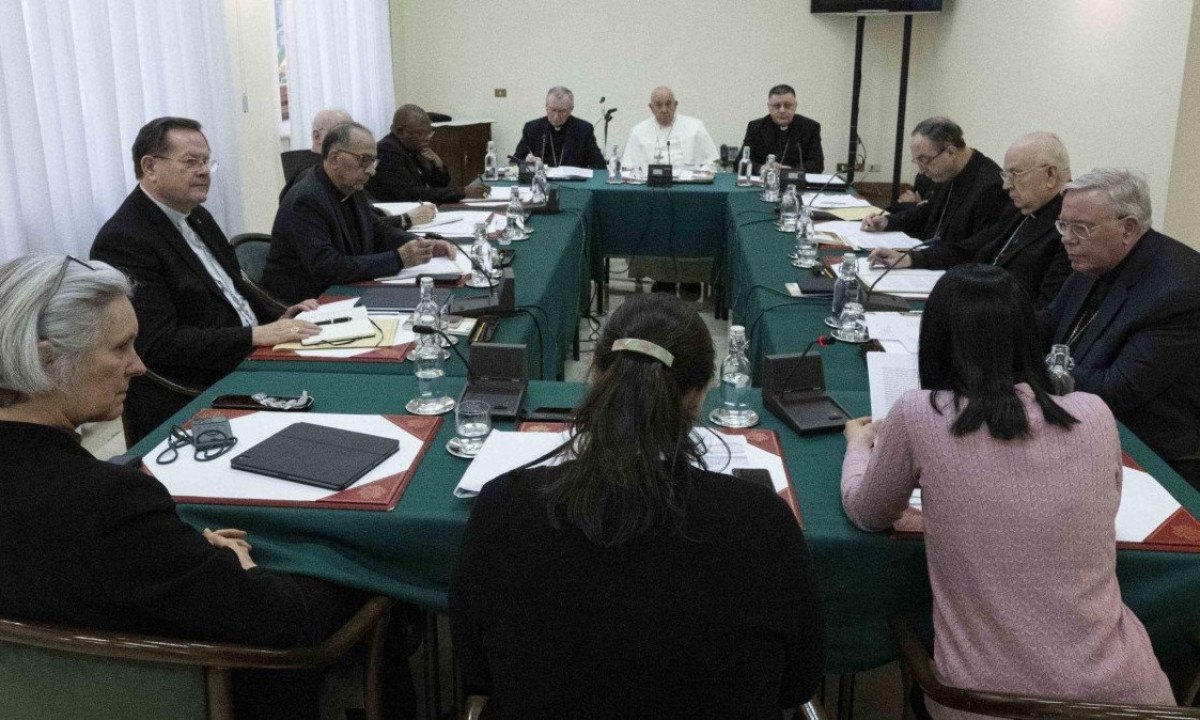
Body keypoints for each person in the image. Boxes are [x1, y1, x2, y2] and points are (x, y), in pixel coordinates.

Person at [0, 254, 377, 719]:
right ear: (46, 356)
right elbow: (284, 624)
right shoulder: (109, 504)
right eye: (120, 348)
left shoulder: (102, 505)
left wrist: (179, 553)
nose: (138, 366)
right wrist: (240, 569)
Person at [450, 293, 825, 719]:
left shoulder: (504, 507)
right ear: (699, 395)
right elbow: (799, 681)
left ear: (594, 376)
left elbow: (476, 667)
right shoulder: (762, 519)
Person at [841, 264, 1174, 718]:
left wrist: (858, 448)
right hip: (1127, 699)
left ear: (935, 339)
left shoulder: (920, 413)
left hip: (982, 703)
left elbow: (869, 512)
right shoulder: (1093, 412)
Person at [91, 116, 321, 444]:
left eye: (206, 161)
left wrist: (280, 314)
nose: (203, 171)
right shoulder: (125, 240)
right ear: (150, 166)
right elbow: (158, 344)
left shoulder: (195, 213)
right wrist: (254, 335)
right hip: (202, 384)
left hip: (252, 356)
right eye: (190, 162)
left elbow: (233, 286)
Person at [1046, 168, 1200, 487]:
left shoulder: (1177, 291)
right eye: (1063, 224)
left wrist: (1026, 368)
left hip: (1151, 460)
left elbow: (1118, 389)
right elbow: (1049, 324)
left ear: (1128, 228)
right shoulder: (1093, 258)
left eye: (1081, 228)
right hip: (1081, 429)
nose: (1067, 237)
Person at [868, 132, 1072, 309]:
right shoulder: (1025, 208)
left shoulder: (1069, 228)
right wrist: (909, 259)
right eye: (1006, 175)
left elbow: (1046, 310)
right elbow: (971, 250)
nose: (1006, 186)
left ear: (1051, 175)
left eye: (1014, 174)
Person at [262, 121, 458, 305]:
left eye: (373, 161)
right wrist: (399, 258)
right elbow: (327, 268)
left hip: (344, 292)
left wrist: (420, 244)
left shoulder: (350, 188)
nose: (372, 171)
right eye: (364, 160)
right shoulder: (306, 199)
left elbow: (377, 232)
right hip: (307, 304)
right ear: (334, 159)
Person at [860, 117, 1006, 250]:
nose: (921, 171)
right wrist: (887, 222)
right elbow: (929, 212)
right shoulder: (947, 171)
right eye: (917, 161)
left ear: (951, 152)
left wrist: (913, 259)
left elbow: (971, 250)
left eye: (925, 160)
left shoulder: (991, 188)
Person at [365, 104, 489, 204]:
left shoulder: (413, 149)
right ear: (400, 131)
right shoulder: (388, 150)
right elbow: (410, 194)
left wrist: (438, 165)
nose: (427, 138)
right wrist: (463, 192)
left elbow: (440, 184)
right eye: (420, 133)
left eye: (429, 133)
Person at [620, 86, 719, 170]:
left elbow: (713, 162)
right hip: (649, 186)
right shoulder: (638, 131)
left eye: (668, 104)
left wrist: (699, 175)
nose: (664, 109)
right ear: (651, 108)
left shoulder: (696, 126)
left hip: (688, 186)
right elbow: (627, 167)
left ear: (675, 105)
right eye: (659, 105)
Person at [514, 86, 605, 169]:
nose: (556, 116)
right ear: (546, 107)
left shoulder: (584, 129)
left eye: (562, 111)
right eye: (553, 110)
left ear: (571, 109)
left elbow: (599, 165)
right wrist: (526, 162)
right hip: (540, 182)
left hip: (574, 184)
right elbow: (514, 161)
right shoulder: (532, 128)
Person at [741, 83, 824, 173]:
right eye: (777, 106)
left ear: (795, 106)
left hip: (795, 183)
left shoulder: (810, 127)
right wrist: (761, 168)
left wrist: (789, 170)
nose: (782, 110)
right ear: (769, 106)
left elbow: (817, 165)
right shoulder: (755, 127)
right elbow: (739, 162)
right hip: (762, 182)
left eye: (787, 105)